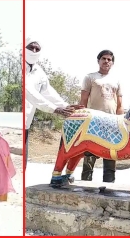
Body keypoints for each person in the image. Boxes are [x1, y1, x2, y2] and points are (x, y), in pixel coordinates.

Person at [24, 37, 80, 168]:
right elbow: (30, 93)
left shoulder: (38, 71)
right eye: (30, 47)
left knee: (23, 165)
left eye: (37, 49)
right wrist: (54, 109)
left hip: (27, 124)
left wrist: (65, 106)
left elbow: (48, 92)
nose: (33, 50)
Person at [79, 50, 123, 183]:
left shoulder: (116, 80)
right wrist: (82, 119)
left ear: (112, 63)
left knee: (110, 156)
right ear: (98, 61)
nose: (106, 61)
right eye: (103, 58)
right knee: (89, 156)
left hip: (111, 123)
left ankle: (109, 188)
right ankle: (85, 186)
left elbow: (119, 104)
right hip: (93, 123)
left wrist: (120, 123)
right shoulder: (90, 77)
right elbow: (83, 101)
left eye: (109, 59)